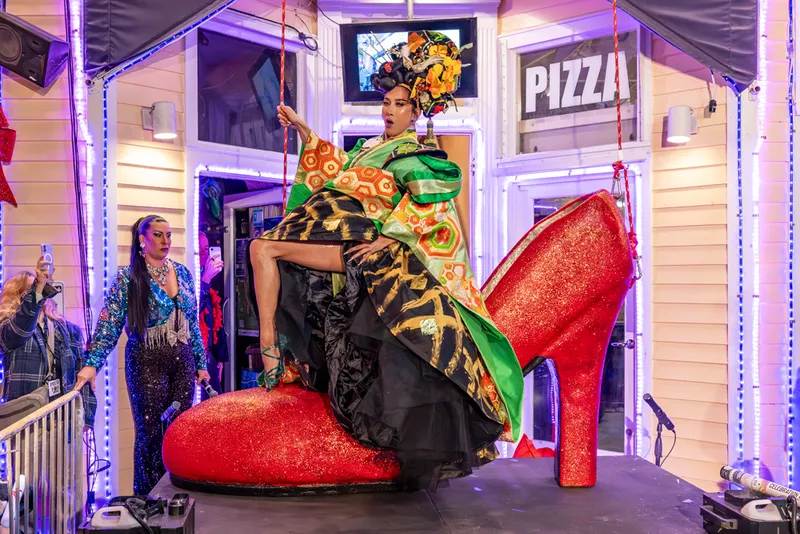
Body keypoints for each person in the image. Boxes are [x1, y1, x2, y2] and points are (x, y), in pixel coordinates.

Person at [247, 31, 523, 492]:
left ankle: (272, 348)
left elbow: (436, 198)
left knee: (266, 248)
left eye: (400, 104)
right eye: (387, 103)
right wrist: (302, 129)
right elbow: (336, 170)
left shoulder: (413, 153)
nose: (389, 111)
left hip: (368, 251)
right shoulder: (368, 147)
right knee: (262, 247)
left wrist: (388, 235)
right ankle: (272, 346)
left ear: (416, 111)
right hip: (341, 236)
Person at [74, 214, 210, 496]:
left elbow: (193, 323)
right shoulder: (128, 277)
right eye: (158, 235)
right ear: (142, 240)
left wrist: (201, 363)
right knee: (150, 433)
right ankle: (148, 500)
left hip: (183, 360)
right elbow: (110, 324)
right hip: (146, 360)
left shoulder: (183, 272)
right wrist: (92, 364)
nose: (165, 241)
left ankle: (176, 496)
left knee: (179, 430)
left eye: (169, 235)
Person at [0, 259, 96, 427]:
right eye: (33, 288)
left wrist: (87, 417)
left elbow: (82, 373)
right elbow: (21, 328)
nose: (41, 290)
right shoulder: (8, 328)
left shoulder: (69, 330)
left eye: (43, 286)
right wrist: (37, 288)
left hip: (62, 419)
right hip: (24, 422)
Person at [198, 231, 227, 399]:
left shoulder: (208, 274)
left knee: (215, 402)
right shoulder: (192, 276)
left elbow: (215, 320)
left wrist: (219, 357)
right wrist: (205, 280)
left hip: (210, 354)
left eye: (206, 248)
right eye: (200, 248)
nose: (204, 253)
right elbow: (194, 311)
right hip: (197, 354)